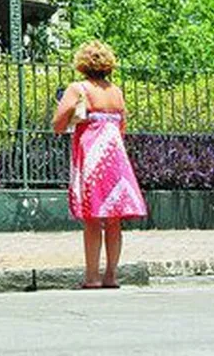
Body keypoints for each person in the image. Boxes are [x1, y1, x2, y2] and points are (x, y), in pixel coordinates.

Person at [54, 40, 148, 289]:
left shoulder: (78, 89)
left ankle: (92, 276)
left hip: (92, 156)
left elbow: (57, 124)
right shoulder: (116, 92)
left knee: (93, 218)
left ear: (82, 64)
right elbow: (122, 125)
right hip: (116, 157)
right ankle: (111, 276)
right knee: (115, 219)